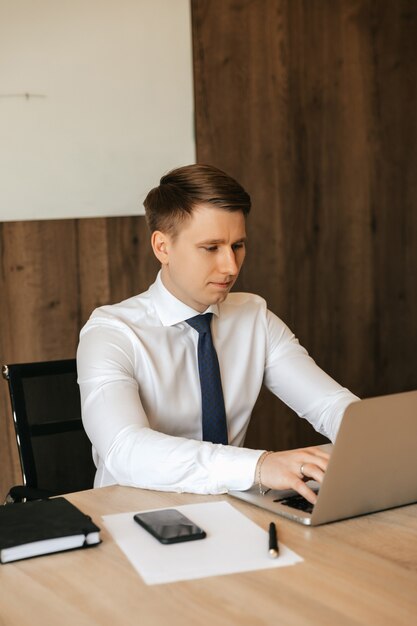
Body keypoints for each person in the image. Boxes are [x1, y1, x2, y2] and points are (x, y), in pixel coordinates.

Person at [77, 164, 359, 504]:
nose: (231, 266)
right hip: (132, 514)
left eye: (238, 245)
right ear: (162, 247)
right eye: (211, 248)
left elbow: (329, 406)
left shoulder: (254, 317)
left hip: (232, 507)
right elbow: (125, 449)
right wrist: (259, 465)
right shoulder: (111, 333)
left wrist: (378, 446)